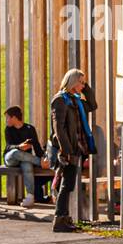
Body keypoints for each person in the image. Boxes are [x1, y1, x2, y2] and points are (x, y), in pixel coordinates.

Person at [49, 68, 97, 233]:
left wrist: (85, 86)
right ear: (72, 81)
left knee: (68, 185)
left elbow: (92, 104)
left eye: (84, 83)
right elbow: (59, 129)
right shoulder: (60, 100)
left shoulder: (76, 100)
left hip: (77, 148)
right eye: (81, 82)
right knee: (66, 185)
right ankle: (60, 219)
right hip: (67, 149)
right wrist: (66, 150)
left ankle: (64, 217)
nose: (83, 86)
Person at [3, 105, 50, 207]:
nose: (6, 120)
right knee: (16, 153)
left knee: (27, 166)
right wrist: (19, 147)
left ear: (14, 118)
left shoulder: (29, 129)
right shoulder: (8, 129)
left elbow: (36, 146)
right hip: (11, 159)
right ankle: (39, 162)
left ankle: (30, 197)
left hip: (26, 158)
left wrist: (43, 157)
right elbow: (8, 146)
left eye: (7, 117)